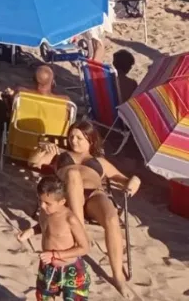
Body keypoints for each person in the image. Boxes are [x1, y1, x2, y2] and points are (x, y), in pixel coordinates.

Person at [29, 121, 140, 298]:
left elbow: (123, 179)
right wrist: (43, 149)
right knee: (73, 175)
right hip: (67, 198)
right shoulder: (60, 154)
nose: (74, 140)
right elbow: (33, 162)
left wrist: (134, 180)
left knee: (112, 219)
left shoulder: (100, 161)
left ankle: (118, 275)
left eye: (79, 137)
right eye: (71, 136)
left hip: (94, 195)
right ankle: (80, 237)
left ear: (91, 140)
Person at [16, 176, 91, 301]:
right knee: (44, 297)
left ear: (62, 202)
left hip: (70, 269)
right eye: (40, 201)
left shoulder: (70, 219)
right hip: (48, 267)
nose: (42, 206)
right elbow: (45, 227)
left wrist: (55, 254)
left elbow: (84, 248)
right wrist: (31, 231)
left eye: (47, 203)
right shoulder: (45, 212)